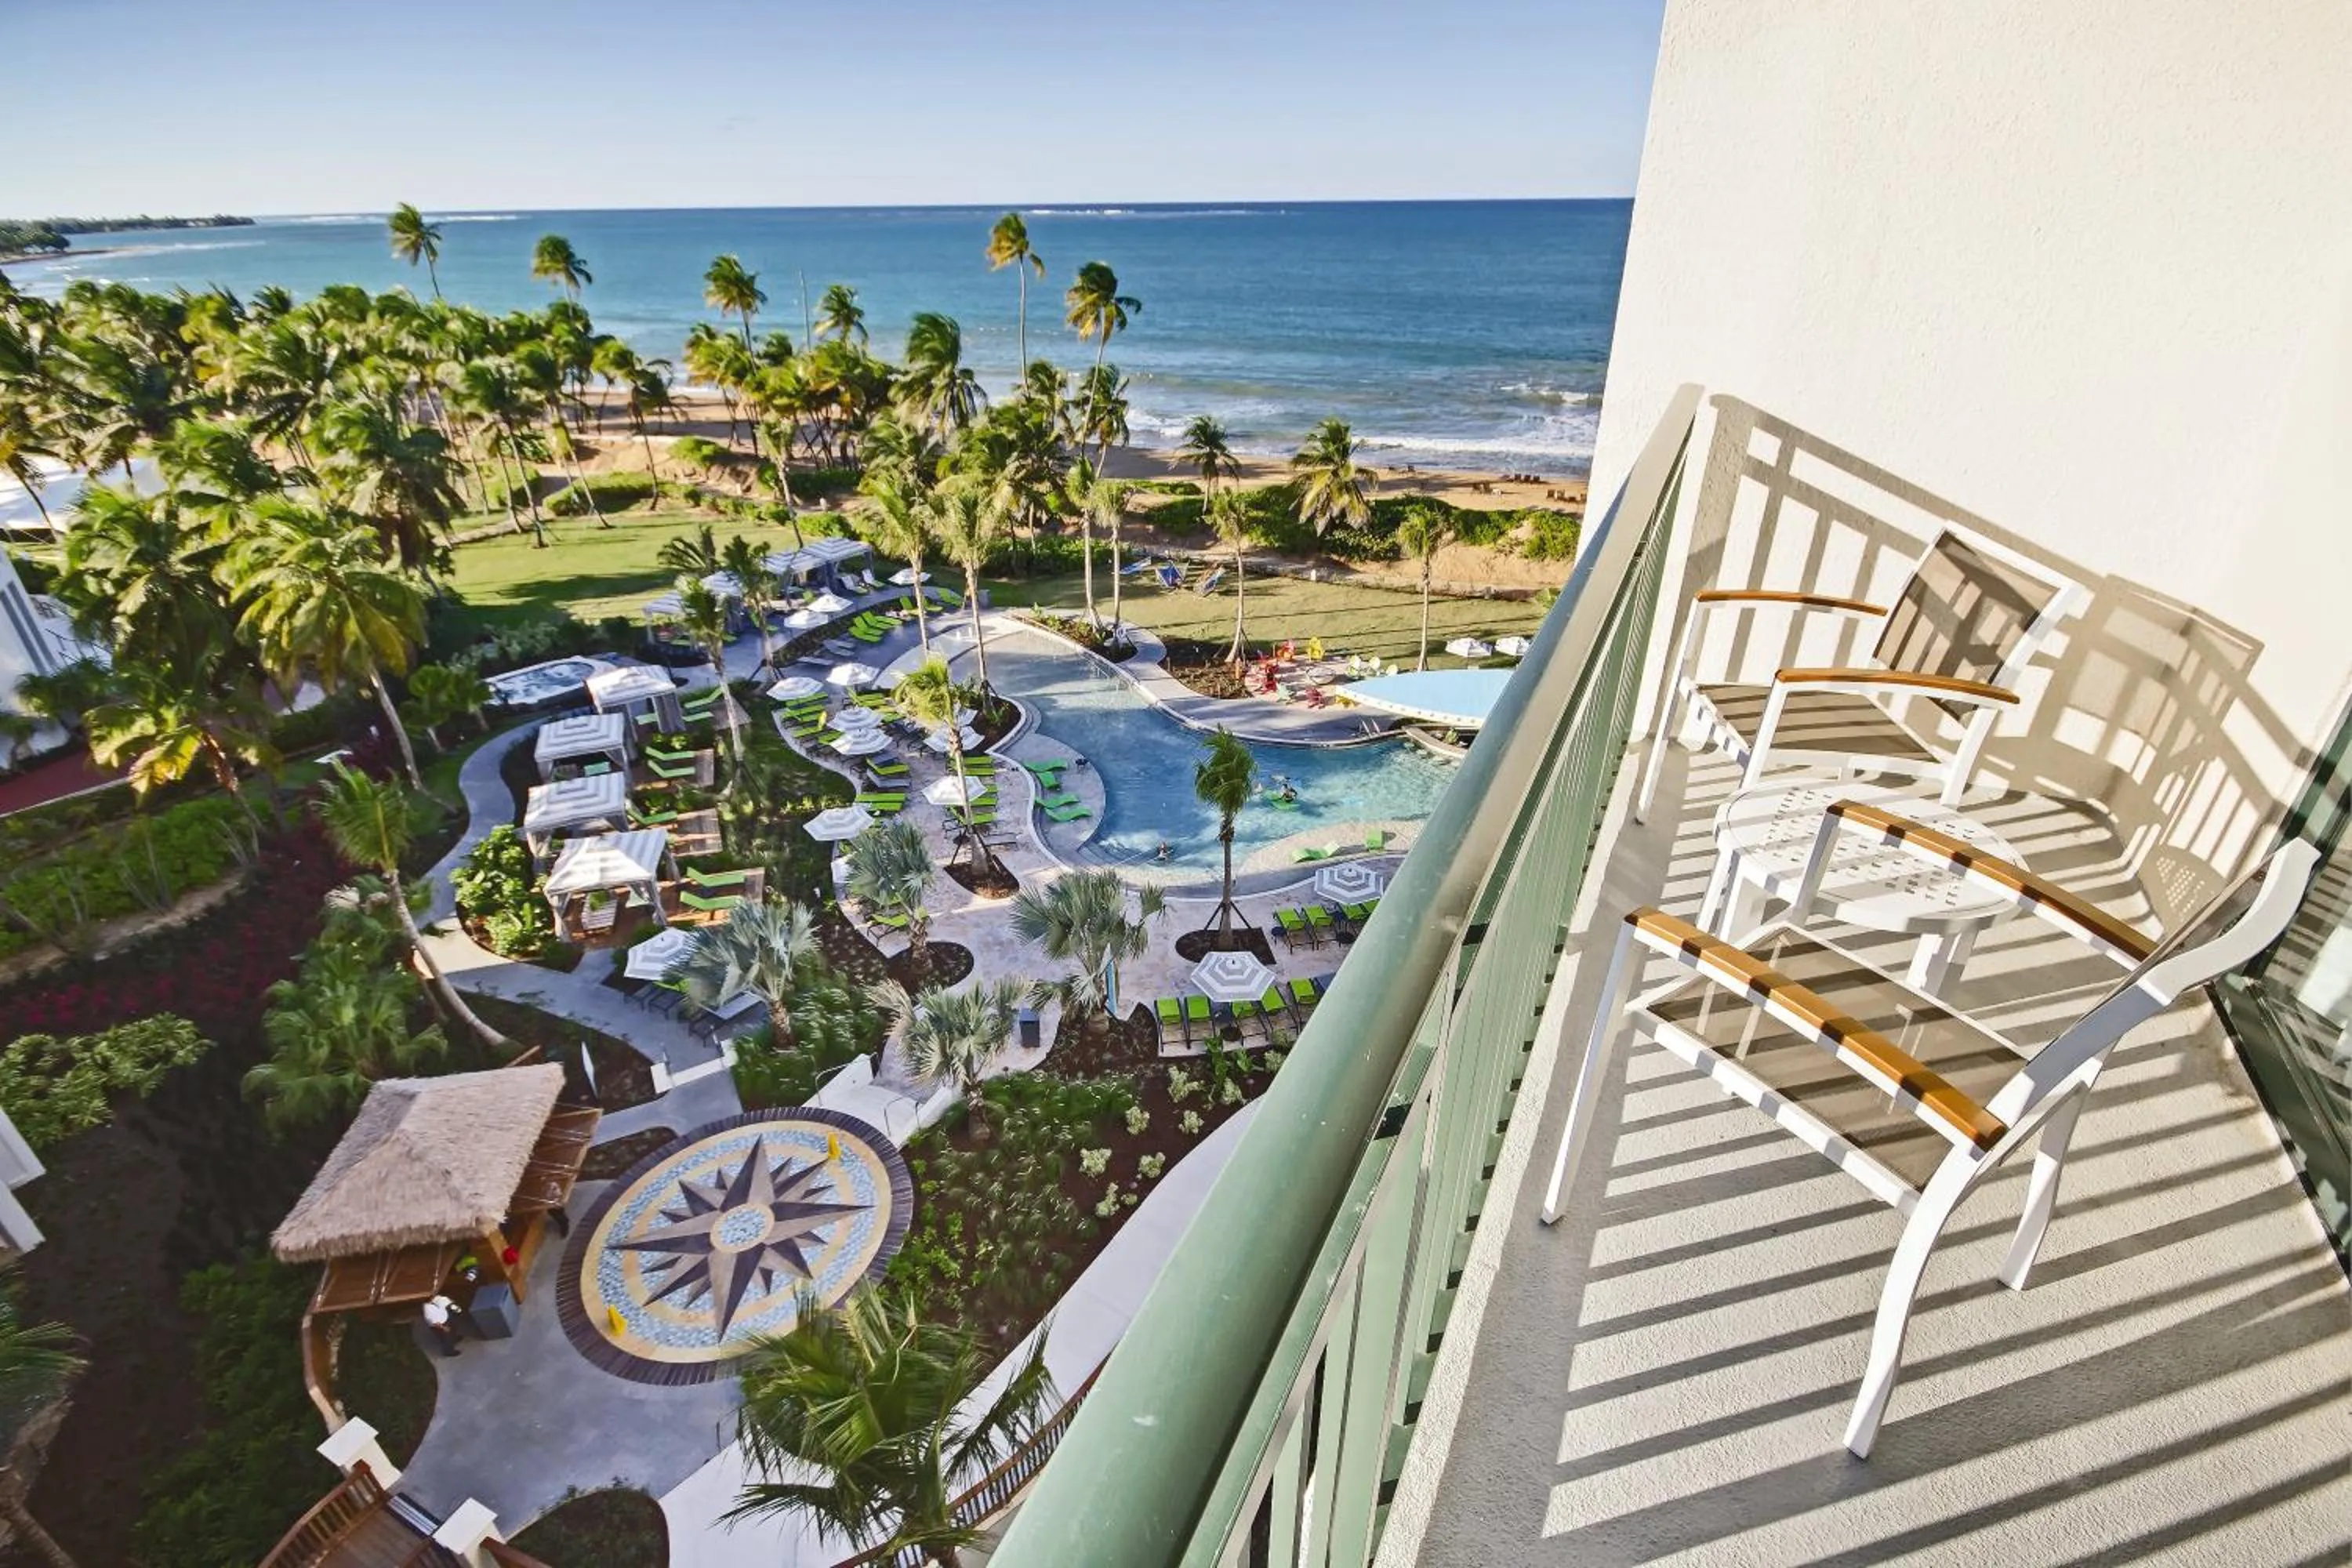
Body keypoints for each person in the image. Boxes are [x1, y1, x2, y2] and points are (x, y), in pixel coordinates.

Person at [423, 1293, 462, 1358]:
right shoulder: (428, 1310)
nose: (434, 1297)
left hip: (445, 1319)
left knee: (452, 1330)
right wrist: (444, 1328)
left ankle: (454, 1339)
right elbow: (435, 1323)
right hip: (440, 1326)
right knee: (447, 1338)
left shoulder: (434, 1301)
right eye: (432, 1297)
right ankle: (449, 1352)